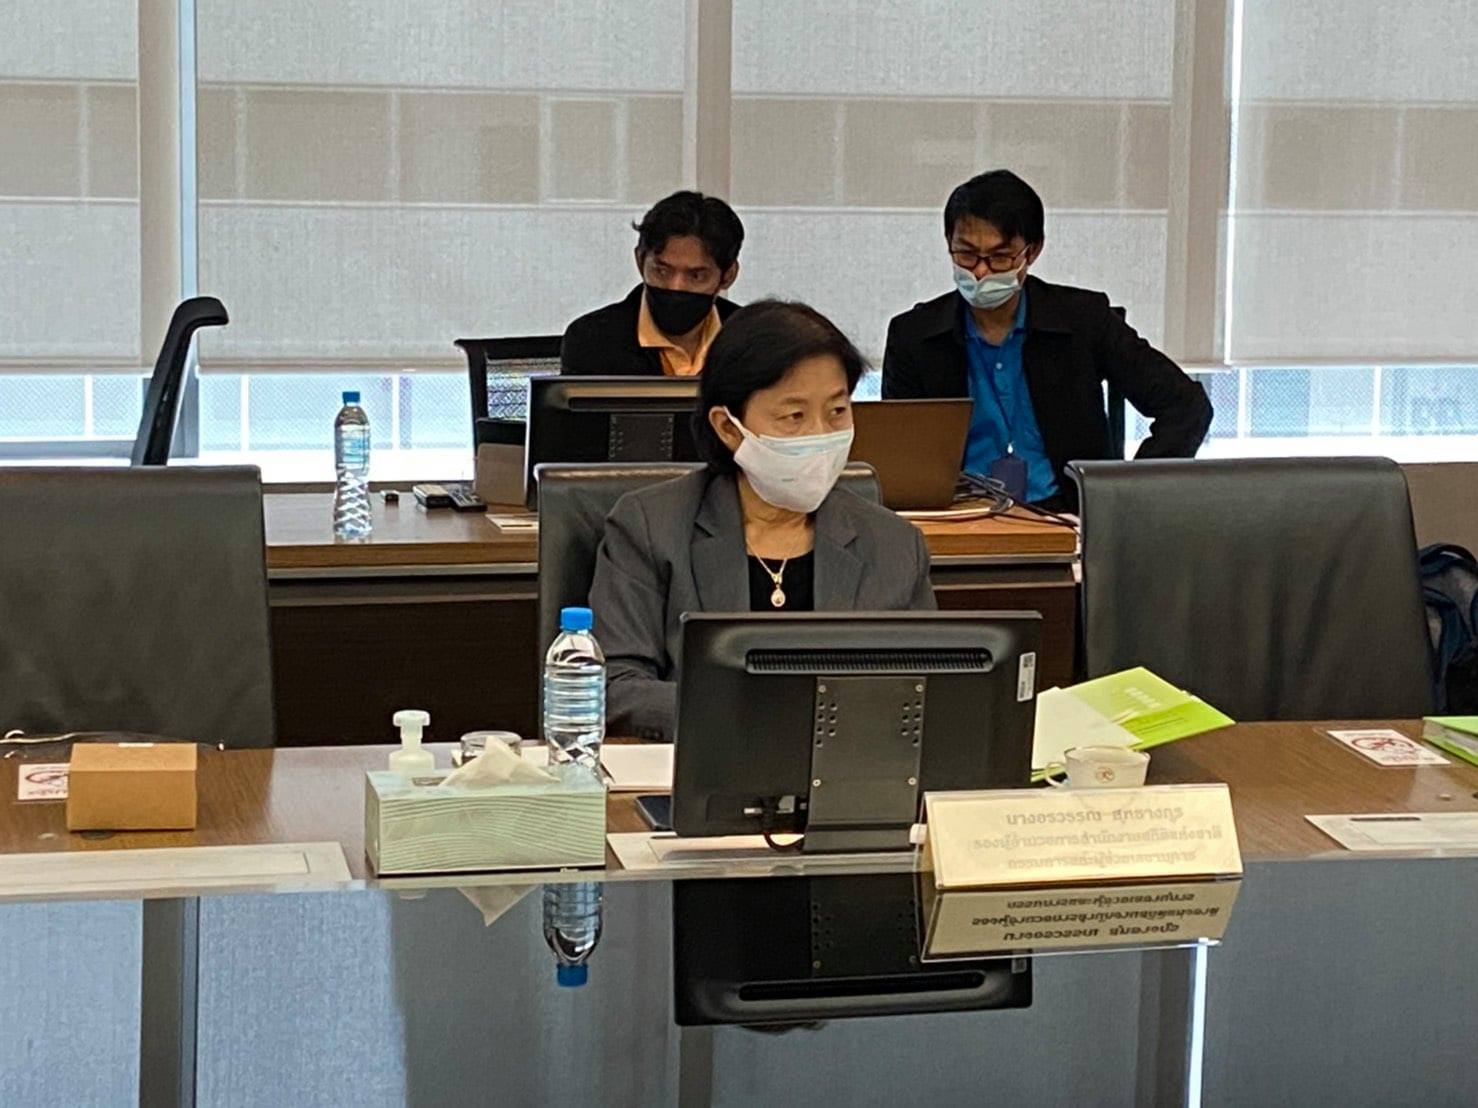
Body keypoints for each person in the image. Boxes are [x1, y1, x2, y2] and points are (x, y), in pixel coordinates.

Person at [588, 300, 936, 740]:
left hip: (846, 772)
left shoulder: (895, 544)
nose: (820, 435)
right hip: (702, 768)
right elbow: (613, 686)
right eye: (794, 416)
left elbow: (926, 689)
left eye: (837, 411)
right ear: (728, 427)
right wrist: (762, 713)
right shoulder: (650, 526)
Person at [882, 169, 1212, 510]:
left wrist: (1127, 494)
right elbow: (900, 456)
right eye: (966, 254)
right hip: (957, 517)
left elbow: (1187, 406)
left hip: (1069, 514)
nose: (980, 271)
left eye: (1000, 257)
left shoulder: (1084, 320)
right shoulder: (913, 336)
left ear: (1032, 251)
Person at [560, 191, 745, 378]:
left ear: (728, 276)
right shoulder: (593, 340)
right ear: (640, 261)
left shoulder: (752, 340)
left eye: (696, 276)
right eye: (661, 271)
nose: (676, 286)